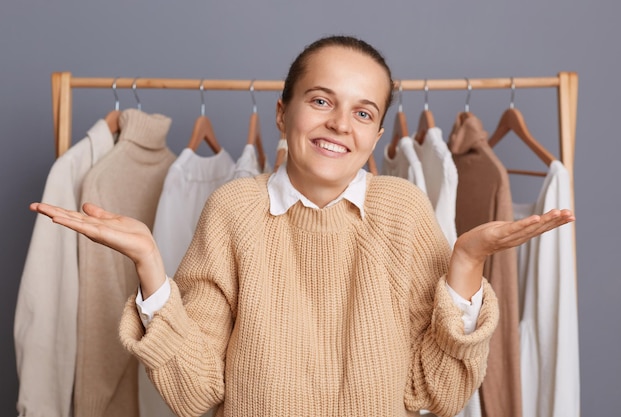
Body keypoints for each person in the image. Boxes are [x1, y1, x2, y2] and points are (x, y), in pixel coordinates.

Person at [30, 35, 574, 417]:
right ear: (282, 111)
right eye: (321, 100)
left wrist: (465, 266)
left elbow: (441, 392)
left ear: (378, 133)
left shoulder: (404, 212)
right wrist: (150, 268)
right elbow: (196, 393)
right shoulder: (233, 210)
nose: (340, 123)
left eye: (363, 113)